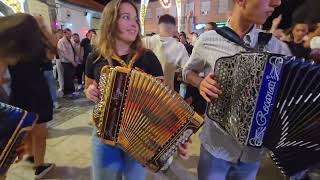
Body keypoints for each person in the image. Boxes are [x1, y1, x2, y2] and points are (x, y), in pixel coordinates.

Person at [183, 0, 291, 179]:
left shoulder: (276, 47)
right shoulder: (208, 39)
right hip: (216, 145)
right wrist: (200, 83)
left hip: (253, 152)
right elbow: (188, 71)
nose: (276, 3)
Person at [84, 1, 189, 179]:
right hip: (104, 134)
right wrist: (90, 92)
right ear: (110, 21)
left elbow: (162, 104)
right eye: (126, 17)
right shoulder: (95, 57)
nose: (134, 24)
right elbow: (88, 86)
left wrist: (175, 136)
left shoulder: (148, 57)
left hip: (139, 137)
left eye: (135, 19)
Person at [1, 13, 56, 179]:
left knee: (27, 128)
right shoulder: (35, 49)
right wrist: (43, 27)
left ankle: (32, 156)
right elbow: (54, 48)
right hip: (36, 93)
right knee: (39, 131)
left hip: (19, 92)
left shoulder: (13, 51)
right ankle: (39, 166)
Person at [143, 14, 190, 90]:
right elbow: (188, 70)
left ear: (158, 26)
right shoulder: (178, 47)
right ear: (174, 28)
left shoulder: (146, 41)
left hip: (143, 94)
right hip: (166, 96)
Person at [57, 28, 78, 98]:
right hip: (66, 62)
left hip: (71, 62)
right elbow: (64, 54)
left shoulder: (70, 41)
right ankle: (67, 93)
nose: (70, 36)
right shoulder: (61, 41)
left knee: (71, 77)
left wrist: (75, 61)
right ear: (64, 33)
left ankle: (71, 92)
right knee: (67, 78)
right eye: (69, 34)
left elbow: (73, 51)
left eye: (70, 34)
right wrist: (72, 62)